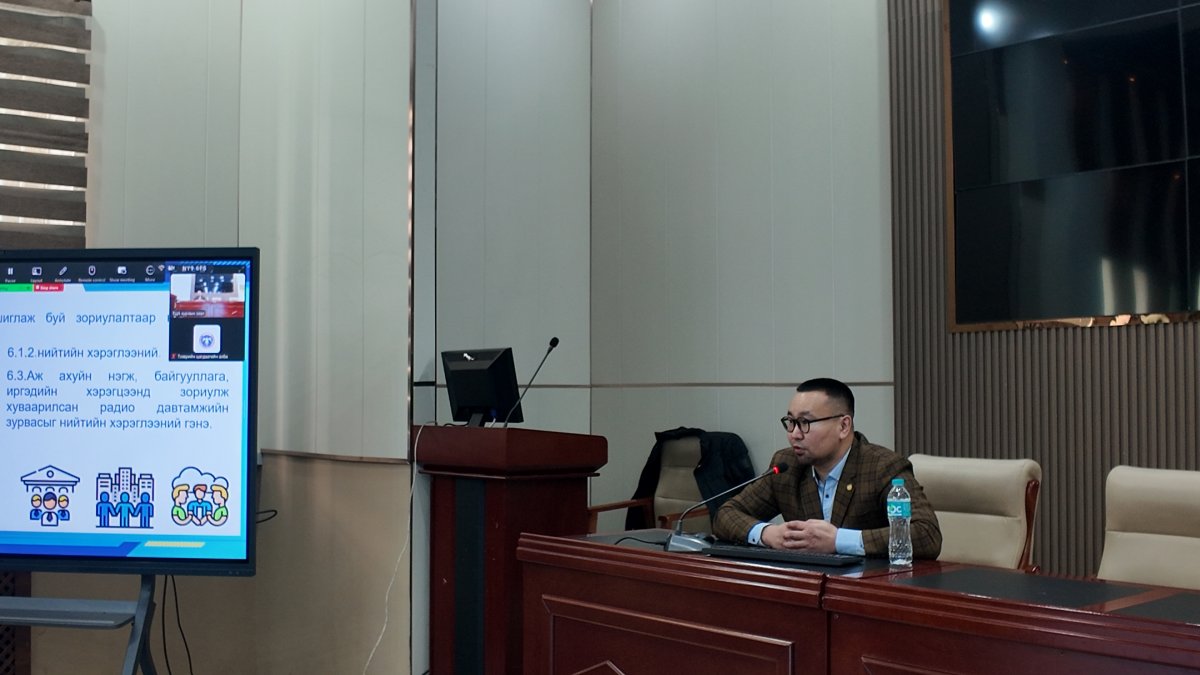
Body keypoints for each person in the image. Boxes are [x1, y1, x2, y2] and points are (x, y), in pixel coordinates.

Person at [713, 378, 941, 559]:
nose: (794, 434)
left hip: (868, 589)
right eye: (790, 422)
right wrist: (767, 533)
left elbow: (927, 534)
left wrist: (838, 541)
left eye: (805, 422)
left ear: (843, 426)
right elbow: (725, 515)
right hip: (807, 588)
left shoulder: (882, 467)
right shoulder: (787, 466)